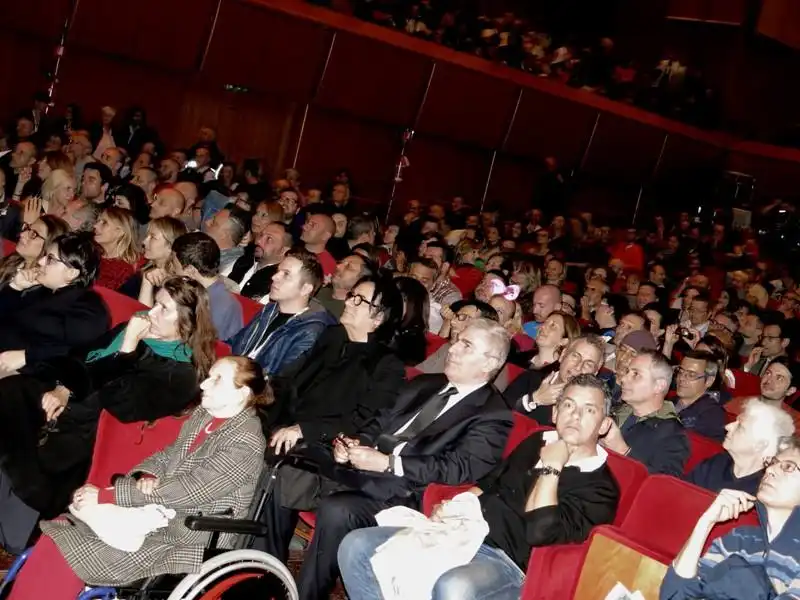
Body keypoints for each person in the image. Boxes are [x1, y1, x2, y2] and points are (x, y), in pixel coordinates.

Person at [254, 318, 513, 600]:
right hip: (360, 470)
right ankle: (266, 576)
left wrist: (388, 463)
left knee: (338, 509)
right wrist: (356, 443)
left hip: (403, 492)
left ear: (489, 363)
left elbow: (459, 468)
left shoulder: (492, 414)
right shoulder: (426, 383)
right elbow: (379, 420)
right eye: (457, 340)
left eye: (466, 345)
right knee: (285, 466)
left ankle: (307, 596)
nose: (452, 349)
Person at [339, 374, 620, 600]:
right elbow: (489, 483)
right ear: (555, 412)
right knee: (357, 545)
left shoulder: (601, 486)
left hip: (506, 562)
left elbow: (539, 533)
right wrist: (452, 506)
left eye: (589, 410)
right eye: (568, 405)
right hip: (461, 531)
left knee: (454, 587)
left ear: (605, 425)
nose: (575, 416)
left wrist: (552, 467)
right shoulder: (536, 441)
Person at [17, 356, 269, 596]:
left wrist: (111, 495)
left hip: (188, 532)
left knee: (75, 546)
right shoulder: (204, 416)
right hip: (157, 510)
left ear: (242, 392)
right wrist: (144, 475)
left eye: (216, 379)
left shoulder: (245, 441)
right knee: (61, 533)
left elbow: (190, 490)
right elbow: (167, 454)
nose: (203, 383)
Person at [0, 277, 216, 553]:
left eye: (162, 308)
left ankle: (25, 507)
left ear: (187, 321)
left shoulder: (181, 372)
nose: (150, 313)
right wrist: (64, 387)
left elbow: (121, 405)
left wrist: (128, 348)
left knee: (12, 406)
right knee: (12, 390)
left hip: (85, 430)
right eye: (156, 304)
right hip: (68, 399)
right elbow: (84, 357)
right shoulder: (138, 331)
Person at [267, 274, 406, 454]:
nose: (348, 303)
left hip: (319, 444)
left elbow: (362, 421)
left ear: (379, 317)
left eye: (359, 300)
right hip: (283, 423)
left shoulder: (386, 365)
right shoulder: (333, 335)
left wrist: (303, 429)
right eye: (351, 296)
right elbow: (290, 379)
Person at [661, 437, 800, 599]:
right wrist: (705, 523)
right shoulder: (741, 538)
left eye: (788, 467)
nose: (770, 470)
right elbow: (673, 595)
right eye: (773, 463)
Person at [0, 231, 109, 374]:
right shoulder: (43, 290)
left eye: (50, 259)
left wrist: (27, 356)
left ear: (71, 273)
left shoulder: (87, 305)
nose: (40, 261)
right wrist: (15, 287)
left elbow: (82, 350)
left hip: (27, 376)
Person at [227, 247, 336, 375]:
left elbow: (281, 381)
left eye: (286, 274)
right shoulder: (269, 311)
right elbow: (236, 343)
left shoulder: (310, 331)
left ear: (305, 289)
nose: (274, 277)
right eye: (278, 271)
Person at [601, 351, 690, 476]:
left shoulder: (673, 435)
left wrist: (623, 452)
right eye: (627, 372)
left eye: (636, 374)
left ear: (659, 386)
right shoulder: (615, 409)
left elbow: (662, 485)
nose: (624, 379)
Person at [686, 399, 794, 495]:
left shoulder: (766, 491)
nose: (728, 426)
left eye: (740, 427)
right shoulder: (716, 462)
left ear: (760, 445)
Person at [509, 334, 605, 424]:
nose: (578, 367)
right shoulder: (530, 379)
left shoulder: (591, 409)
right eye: (575, 356)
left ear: (595, 372)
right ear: (563, 355)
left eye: (588, 364)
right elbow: (500, 415)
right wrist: (535, 399)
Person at [171, 232, 243, 340]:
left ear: (190, 270)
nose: (171, 269)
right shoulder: (199, 291)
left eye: (174, 264)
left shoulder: (219, 304)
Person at [418, 300, 499, 374]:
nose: (453, 322)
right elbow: (417, 373)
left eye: (464, 317)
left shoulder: (476, 365)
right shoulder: (446, 348)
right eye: (457, 316)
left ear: (482, 326)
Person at [120, 216, 187, 303]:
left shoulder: (178, 284)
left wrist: (147, 283)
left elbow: (146, 315)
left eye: (153, 237)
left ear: (171, 246)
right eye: (147, 236)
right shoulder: (144, 269)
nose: (144, 242)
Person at [0, 215, 68, 292]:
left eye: (33, 234)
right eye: (27, 228)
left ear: (49, 246)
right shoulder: (13, 261)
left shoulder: (37, 289)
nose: (22, 234)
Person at [228, 221, 292, 301]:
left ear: (283, 251)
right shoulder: (243, 260)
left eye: (269, 239)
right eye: (261, 235)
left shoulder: (277, 283)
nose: (258, 241)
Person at [674, 351, 728, 442]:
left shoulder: (711, 416)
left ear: (709, 381)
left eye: (691, 375)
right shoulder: (668, 400)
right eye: (680, 372)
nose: (681, 378)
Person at [92, 207, 140, 290]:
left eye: (104, 223)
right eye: (97, 221)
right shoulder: (90, 255)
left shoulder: (129, 268)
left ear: (120, 232)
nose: (95, 225)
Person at [315, 253, 374, 319]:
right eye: (340, 262)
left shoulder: (348, 314)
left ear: (361, 280)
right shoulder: (317, 289)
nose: (338, 266)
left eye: (349, 267)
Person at [202, 205, 249, 277]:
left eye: (213, 223)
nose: (207, 222)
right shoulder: (209, 251)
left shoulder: (230, 268)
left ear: (224, 235)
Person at [409, 257, 443, 333]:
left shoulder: (433, 314)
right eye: (413, 278)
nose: (417, 283)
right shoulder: (394, 297)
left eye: (424, 281)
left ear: (433, 285)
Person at [301, 212, 337, 277]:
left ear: (325, 236)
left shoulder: (327, 265)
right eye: (307, 222)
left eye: (313, 225)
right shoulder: (292, 250)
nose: (304, 227)